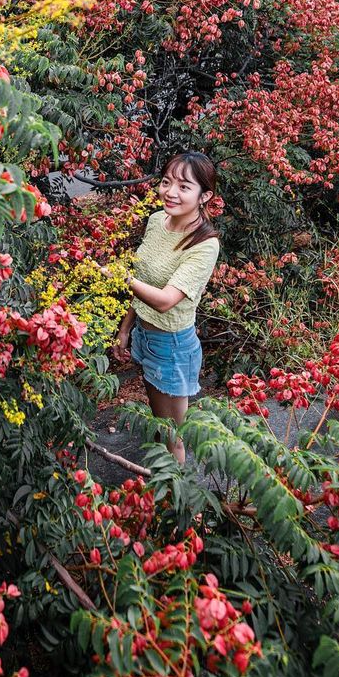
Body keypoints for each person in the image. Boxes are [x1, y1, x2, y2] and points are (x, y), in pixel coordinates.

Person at [111, 150, 220, 466]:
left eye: (184, 187)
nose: (170, 192)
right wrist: (126, 329)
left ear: (205, 196)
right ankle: (163, 484)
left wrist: (121, 277)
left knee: (173, 435)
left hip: (171, 346)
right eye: (166, 182)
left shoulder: (204, 244)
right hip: (145, 336)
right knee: (161, 423)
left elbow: (165, 300)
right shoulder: (157, 220)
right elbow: (144, 280)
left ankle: (174, 500)